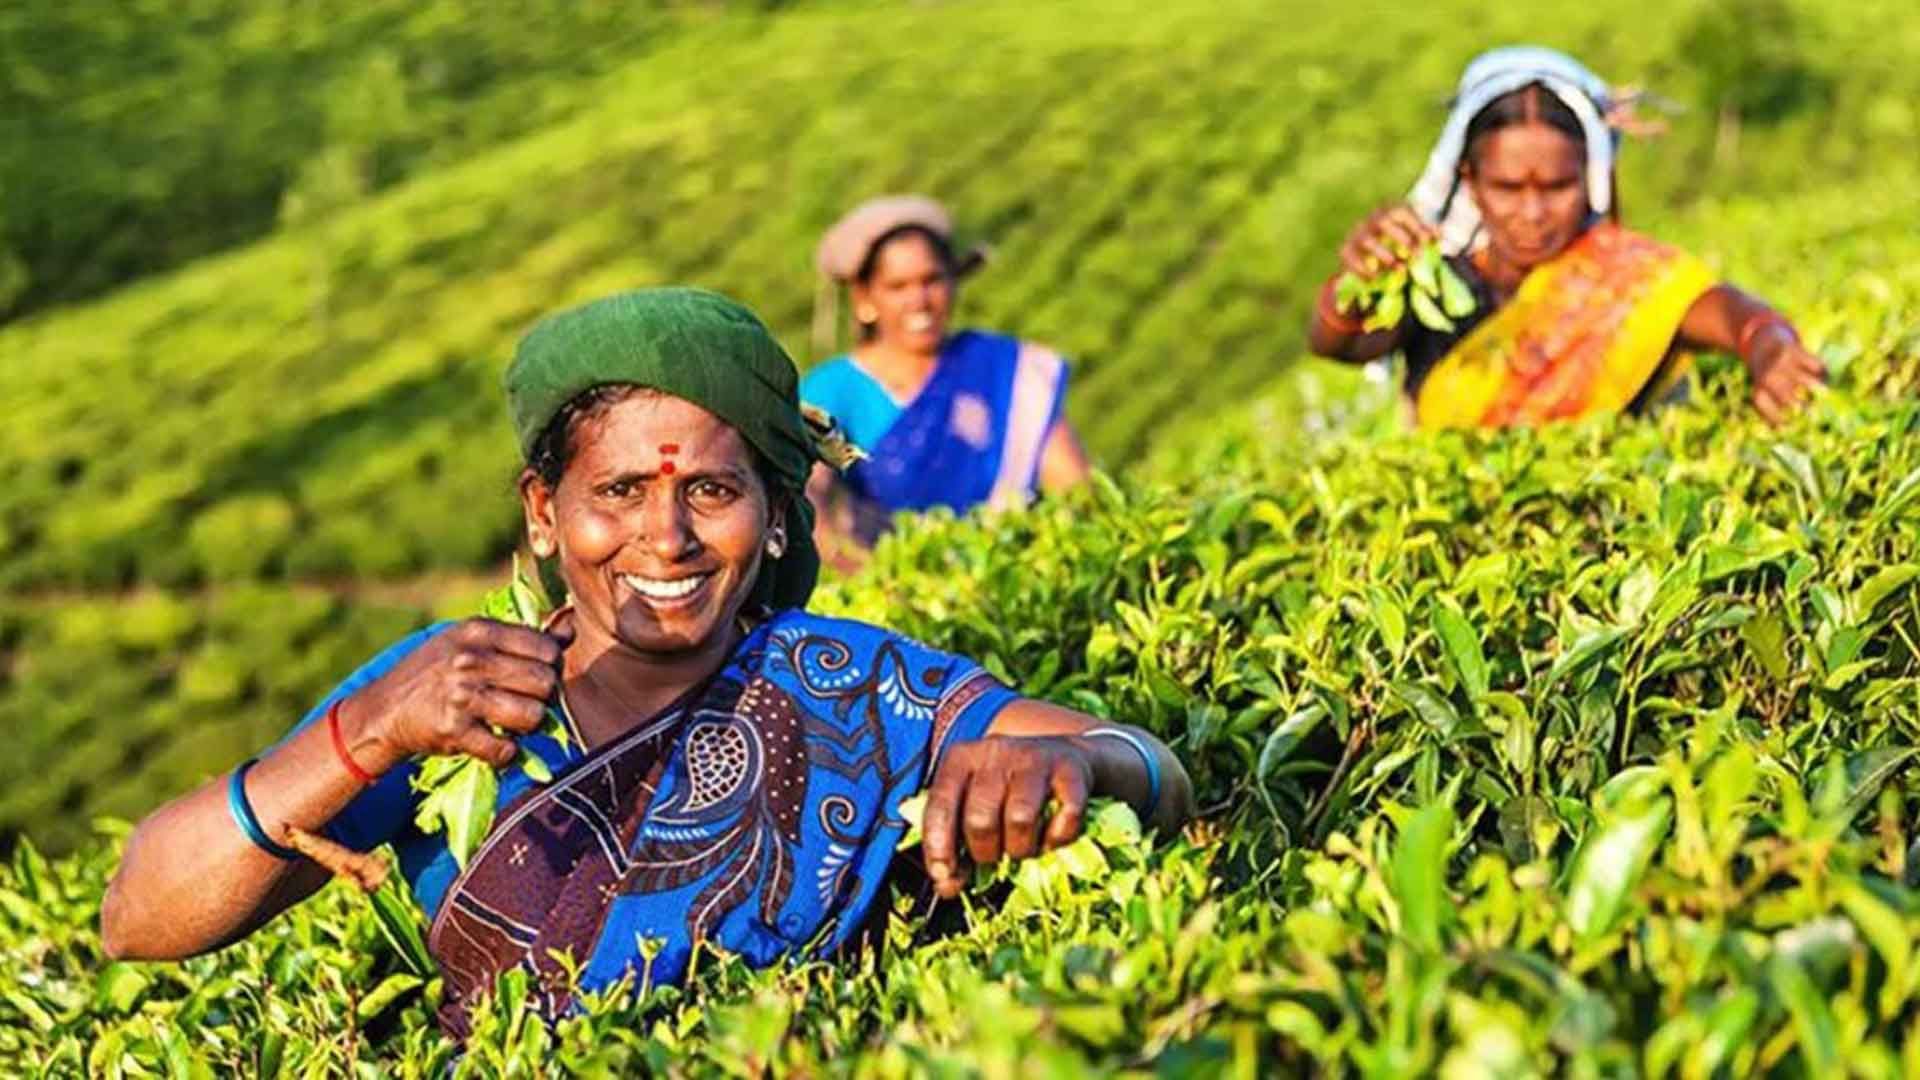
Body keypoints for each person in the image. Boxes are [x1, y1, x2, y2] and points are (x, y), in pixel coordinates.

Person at [99, 288, 1192, 1038]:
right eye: (617, 493)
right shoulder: (450, 700)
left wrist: (1074, 767)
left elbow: (1156, 766)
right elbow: (139, 917)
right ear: (544, 514)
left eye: (710, 492)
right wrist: (362, 737)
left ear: (774, 516)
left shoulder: (846, 682)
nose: (663, 539)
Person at [1307, 46, 1827, 428]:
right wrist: (1359, 285)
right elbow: (1341, 343)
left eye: (1557, 187)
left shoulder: (1620, 276)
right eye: (1508, 187)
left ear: (1590, 178)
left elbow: (1726, 310)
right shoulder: (1444, 279)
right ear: (1470, 181)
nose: (1532, 213)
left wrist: (1770, 348)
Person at [802, 196, 1091, 562]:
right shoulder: (833, 389)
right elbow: (805, 495)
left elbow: (1075, 488)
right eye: (898, 286)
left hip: (1013, 573)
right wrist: (866, 574)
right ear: (865, 298)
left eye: (932, 280)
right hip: (896, 586)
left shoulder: (1004, 370)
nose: (919, 300)